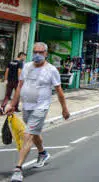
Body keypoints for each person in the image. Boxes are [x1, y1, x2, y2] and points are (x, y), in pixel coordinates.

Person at [5, 43, 70, 182]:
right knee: (34, 133)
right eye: (35, 52)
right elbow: (19, 86)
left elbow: (59, 91)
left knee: (28, 135)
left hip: (41, 107)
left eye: (41, 52)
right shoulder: (27, 67)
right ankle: (43, 153)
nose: (37, 54)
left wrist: (64, 108)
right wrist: (12, 104)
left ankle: (18, 169)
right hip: (27, 106)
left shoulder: (51, 70)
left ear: (46, 54)